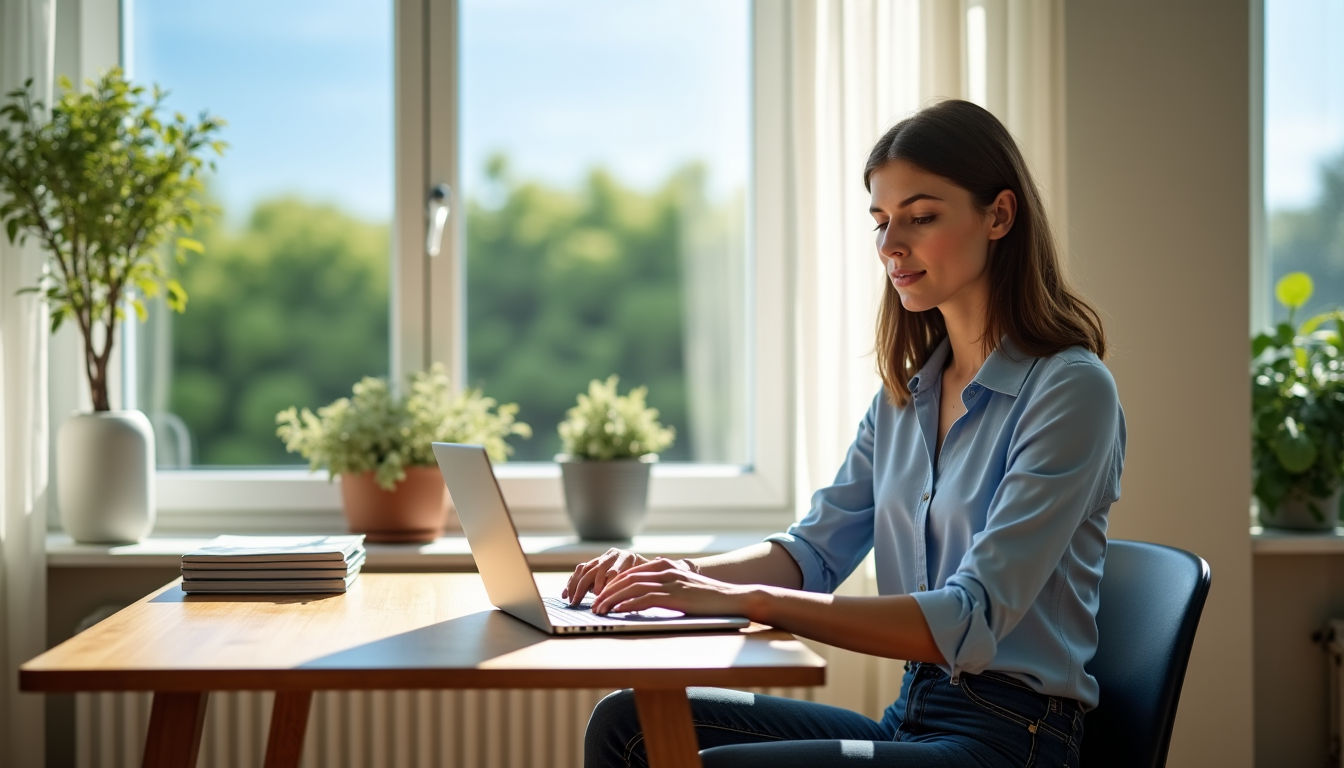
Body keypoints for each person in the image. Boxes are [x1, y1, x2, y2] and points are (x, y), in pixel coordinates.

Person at [568, 99, 1125, 768]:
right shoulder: (906, 396)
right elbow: (813, 553)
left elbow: (969, 620)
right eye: (882, 222)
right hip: (913, 716)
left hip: (1011, 740)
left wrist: (739, 599)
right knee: (626, 723)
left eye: (921, 218)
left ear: (999, 215)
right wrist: (676, 576)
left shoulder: (1070, 390)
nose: (891, 245)